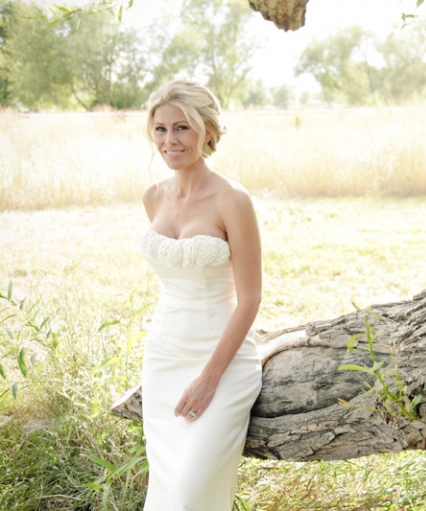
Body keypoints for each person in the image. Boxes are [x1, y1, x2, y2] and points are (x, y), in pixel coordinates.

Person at [138, 80, 262, 510]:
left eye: (182, 128)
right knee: (167, 492)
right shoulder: (153, 197)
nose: (170, 141)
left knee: (192, 495)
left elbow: (250, 298)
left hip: (222, 362)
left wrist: (210, 379)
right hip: (163, 357)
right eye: (160, 130)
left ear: (207, 131)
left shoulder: (234, 200)